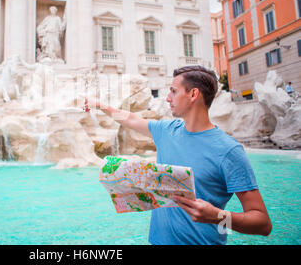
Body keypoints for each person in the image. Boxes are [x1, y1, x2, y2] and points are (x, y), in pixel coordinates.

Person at [83, 65, 272, 245]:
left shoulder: (229, 151)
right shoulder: (166, 130)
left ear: (193, 94)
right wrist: (99, 105)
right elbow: (131, 119)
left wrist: (217, 217)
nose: (167, 98)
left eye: (173, 91)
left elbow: (263, 224)